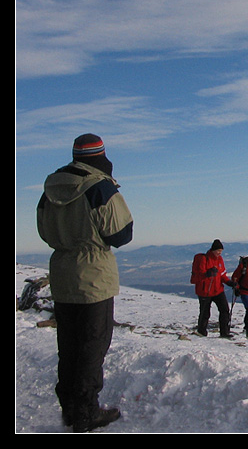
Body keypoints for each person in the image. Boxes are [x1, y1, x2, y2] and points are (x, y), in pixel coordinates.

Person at [36, 134, 134, 433]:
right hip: (93, 278)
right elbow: (121, 233)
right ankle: (86, 413)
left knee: (69, 345)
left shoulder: (51, 189)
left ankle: (70, 407)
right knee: (92, 346)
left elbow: (43, 230)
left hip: (63, 276)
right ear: (100, 156)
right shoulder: (100, 187)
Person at [190, 239, 236, 338]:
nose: (219, 253)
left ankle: (224, 333)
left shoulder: (220, 260)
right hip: (205, 291)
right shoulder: (204, 259)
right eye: (218, 251)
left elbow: (222, 275)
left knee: (224, 310)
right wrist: (208, 273)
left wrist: (229, 282)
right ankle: (201, 332)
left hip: (218, 290)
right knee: (205, 313)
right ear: (213, 250)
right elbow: (199, 275)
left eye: (221, 251)